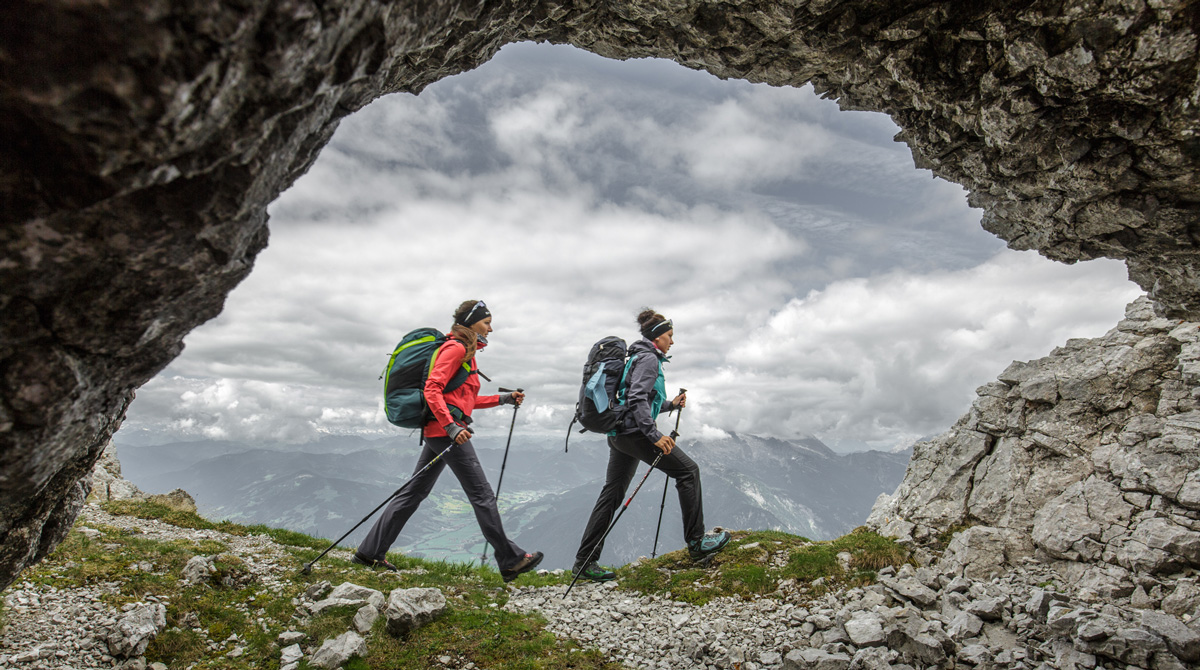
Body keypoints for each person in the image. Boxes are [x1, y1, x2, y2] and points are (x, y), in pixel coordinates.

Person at [354, 300, 543, 582]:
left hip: (441, 432)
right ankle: (510, 558)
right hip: (447, 434)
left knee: (413, 493)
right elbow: (433, 388)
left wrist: (502, 399)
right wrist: (451, 427)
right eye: (486, 322)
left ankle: (369, 553)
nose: (491, 328)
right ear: (471, 322)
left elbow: (464, 400)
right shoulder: (455, 348)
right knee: (482, 495)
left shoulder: (467, 352)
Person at [572, 308, 729, 582]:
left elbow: (638, 397)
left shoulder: (635, 356)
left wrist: (669, 405)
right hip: (636, 434)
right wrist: (654, 434)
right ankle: (696, 542)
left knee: (612, 494)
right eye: (669, 336)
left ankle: (584, 562)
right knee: (688, 472)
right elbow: (636, 398)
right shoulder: (648, 360)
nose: (672, 341)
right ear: (657, 338)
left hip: (619, 435)